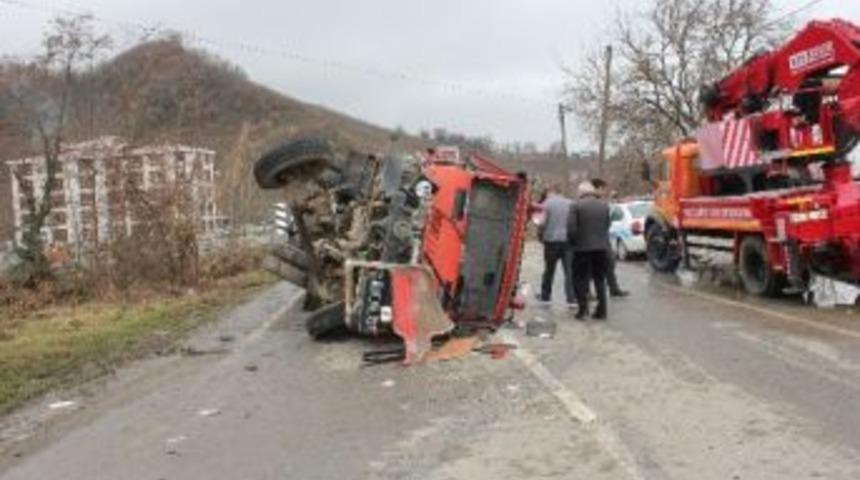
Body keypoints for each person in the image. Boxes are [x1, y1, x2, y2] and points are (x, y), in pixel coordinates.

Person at [568, 181, 611, 320]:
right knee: (599, 279)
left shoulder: (575, 206)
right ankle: (602, 310)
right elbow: (607, 225)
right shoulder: (604, 205)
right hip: (601, 247)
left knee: (580, 278)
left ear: (581, 192)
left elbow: (571, 229)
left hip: (581, 248)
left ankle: (583, 310)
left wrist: (573, 243)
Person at [590, 178, 629, 298]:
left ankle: (613, 289)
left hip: (602, 238)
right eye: (603, 189)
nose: (604, 191)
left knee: (609, 263)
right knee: (591, 266)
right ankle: (588, 291)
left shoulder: (600, 202)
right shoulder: (592, 202)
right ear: (597, 188)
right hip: (593, 238)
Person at [537, 184, 575, 306]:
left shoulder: (546, 204)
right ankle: (571, 298)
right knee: (569, 271)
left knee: (549, 270)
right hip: (568, 242)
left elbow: (541, 223)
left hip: (551, 241)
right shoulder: (571, 203)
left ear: (551, 192)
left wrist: (541, 236)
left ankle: (545, 297)